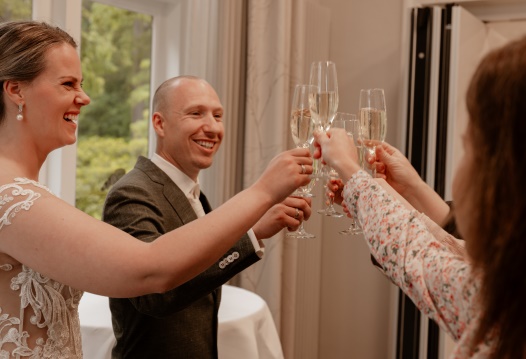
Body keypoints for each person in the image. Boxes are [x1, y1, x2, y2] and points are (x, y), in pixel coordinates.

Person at [0, 20, 312, 358]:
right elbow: (150, 269)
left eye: (81, 83)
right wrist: (263, 191)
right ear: (16, 90)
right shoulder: (11, 199)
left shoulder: (25, 192)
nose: (84, 97)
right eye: (67, 83)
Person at [314, 32, 526, 358]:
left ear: (508, 180)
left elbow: (414, 253)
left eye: (468, 147)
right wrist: (409, 191)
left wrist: (350, 169)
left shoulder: (509, 302)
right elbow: (451, 250)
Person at [102, 75, 311, 358]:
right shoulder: (131, 193)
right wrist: (249, 237)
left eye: (218, 115)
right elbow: (155, 296)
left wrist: (255, 230)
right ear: (159, 123)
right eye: (196, 113)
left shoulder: (194, 194)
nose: (212, 127)